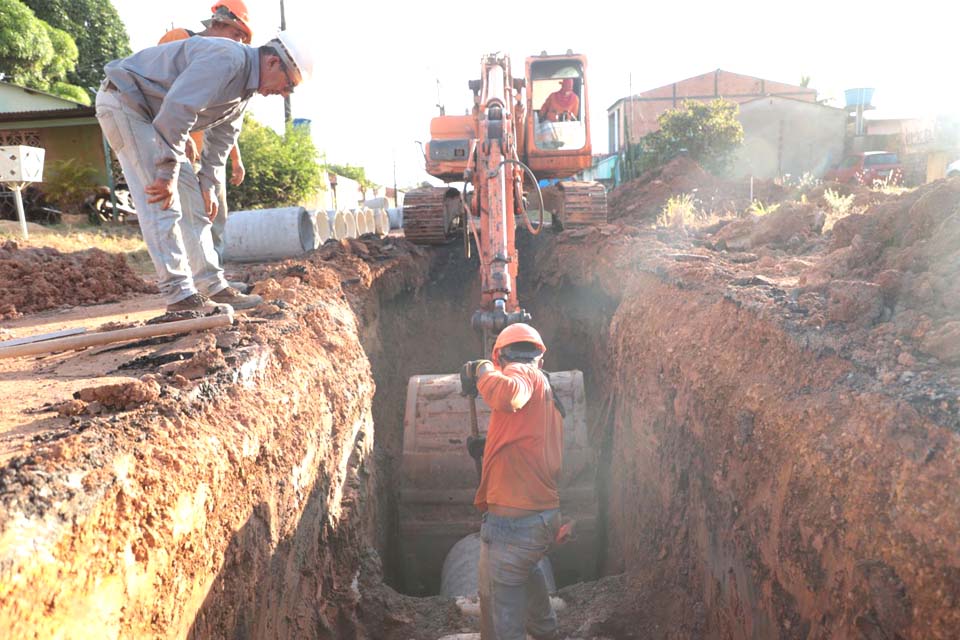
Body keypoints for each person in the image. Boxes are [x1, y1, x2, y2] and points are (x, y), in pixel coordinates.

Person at [95, 31, 312, 313]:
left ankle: (212, 285)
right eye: (288, 85)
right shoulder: (227, 60)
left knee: (193, 202)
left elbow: (223, 138)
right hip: (126, 103)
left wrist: (208, 184)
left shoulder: (244, 90)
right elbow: (177, 109)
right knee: (161, 197)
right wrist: (165, 173)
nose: (283, 93)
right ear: (272, 62)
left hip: (157, 118)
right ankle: (179, 296)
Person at [460, 323, 564, 640]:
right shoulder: (549, 398)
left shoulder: (521, 373)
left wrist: (482, 371)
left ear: (500, 359)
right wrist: (490, 446)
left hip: (512, 524)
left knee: (500, 614)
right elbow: (527, 439)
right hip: (540, 518)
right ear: (542, 359)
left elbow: (510, 395)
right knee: (526, 571)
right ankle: (547, 634)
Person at [159, 0, 252, 267]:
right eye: (236, 35)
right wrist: (181, 133)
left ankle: (215, 271)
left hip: (208, 154)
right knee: (188, 214)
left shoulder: (226, 62)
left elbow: (225, 117)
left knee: (216, 214)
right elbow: (160, 89)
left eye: (243, 39)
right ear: (219, 23)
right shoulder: (178, 40)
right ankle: (194, 275)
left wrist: (236, 158)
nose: (239, 44)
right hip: (177, 147)